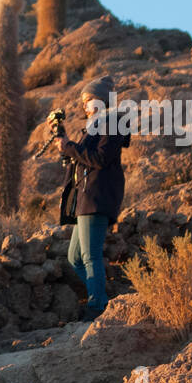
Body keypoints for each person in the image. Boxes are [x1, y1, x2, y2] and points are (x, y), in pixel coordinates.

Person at [55, 76, 129, 323]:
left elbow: (99, 159)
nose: (84, 106)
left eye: (87, 100)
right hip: (85, 199)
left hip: (96, 198)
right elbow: (84, 158)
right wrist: (67, 147)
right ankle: (98, 299)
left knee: (90, 256)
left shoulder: (112, 122)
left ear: (100, 101)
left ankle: (97, 307)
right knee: (74, 257)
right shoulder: (96, 126)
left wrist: (70, 147)